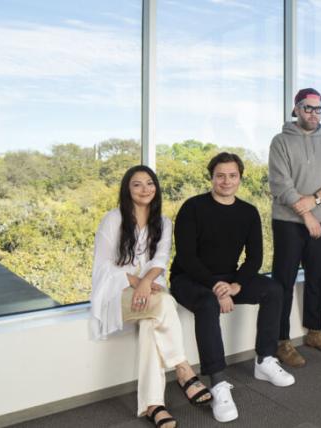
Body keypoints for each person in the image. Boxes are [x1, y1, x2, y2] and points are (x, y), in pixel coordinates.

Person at [171, 152, 294, 423]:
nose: (226, 181)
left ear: (240, 178)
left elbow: (255, 258)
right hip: (189, 278)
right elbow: (187, 257)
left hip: (227, 278)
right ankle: (217, 383)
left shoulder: (248, 212)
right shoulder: (193, 208)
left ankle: (264, 360)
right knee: (207, 303)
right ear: (212, 178)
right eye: (220, 176)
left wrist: (236, 285)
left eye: (232, 176)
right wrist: (217, 287)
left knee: (273, 290)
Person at [91, 165, 211, 428]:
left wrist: (145, 283)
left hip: (148, 290)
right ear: (127, 189)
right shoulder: (113, 219)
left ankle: (153, 405)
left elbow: (161, 259)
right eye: (137, 184)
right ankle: (182, 368)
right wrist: (136, 282)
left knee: (150, 323)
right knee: (165, 303)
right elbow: (102, 266)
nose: (145, 189)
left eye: (150, 183)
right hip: (115, 293)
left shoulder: (164, 222)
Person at [268, 88, 321, 367]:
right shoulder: (280, 141)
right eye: (307, 108)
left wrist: (315, 200)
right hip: (288, 222)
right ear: (296, 109)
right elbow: (280, 184)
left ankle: (314, 332)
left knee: (317, 278)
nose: (313, 113)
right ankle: (281, 341)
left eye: (318, 109)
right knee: (283, 282)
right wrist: (307, 216)